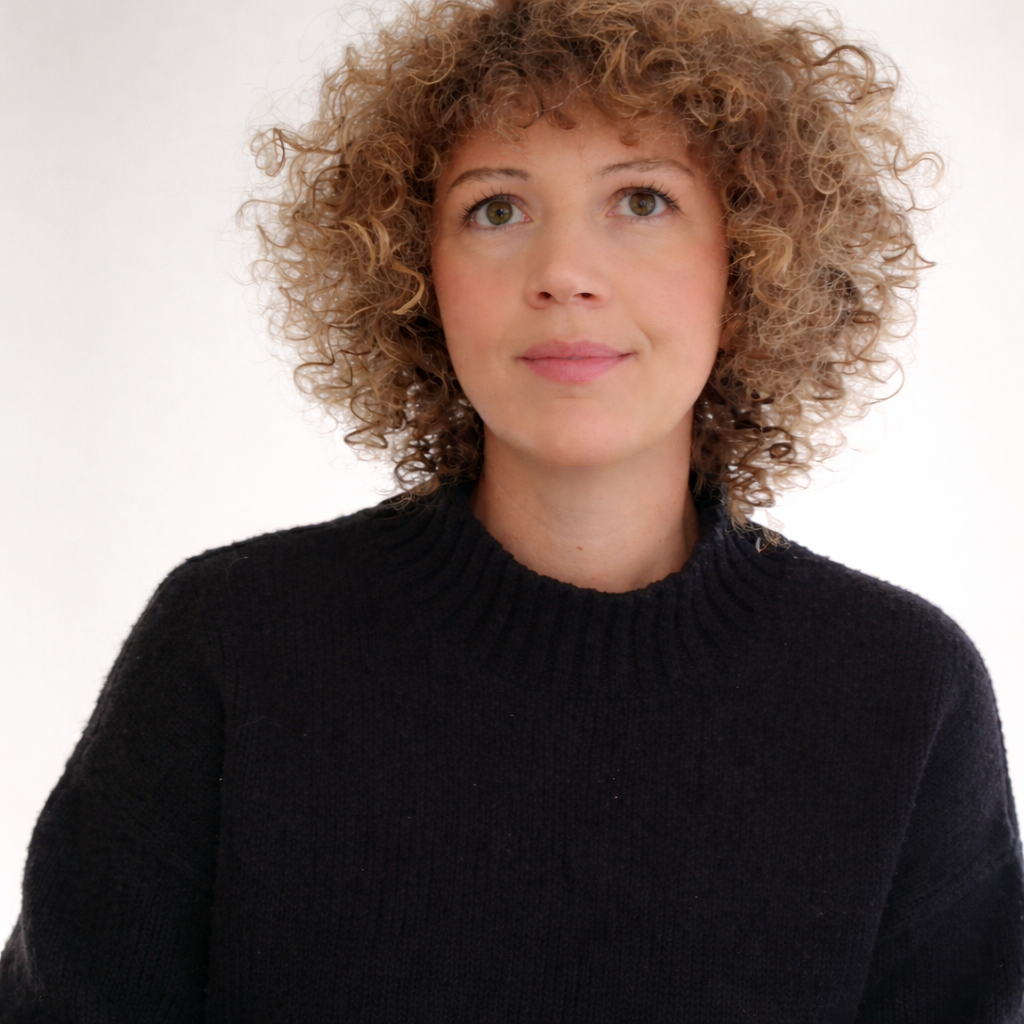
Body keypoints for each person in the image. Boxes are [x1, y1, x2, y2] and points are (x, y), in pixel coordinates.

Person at [2, 0, 1022, 1018]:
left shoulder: (899, 693)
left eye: (641, 200)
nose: (563, 275)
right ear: (415, 272)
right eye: (496, 208)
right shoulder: (231, 647)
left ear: (750, 255)